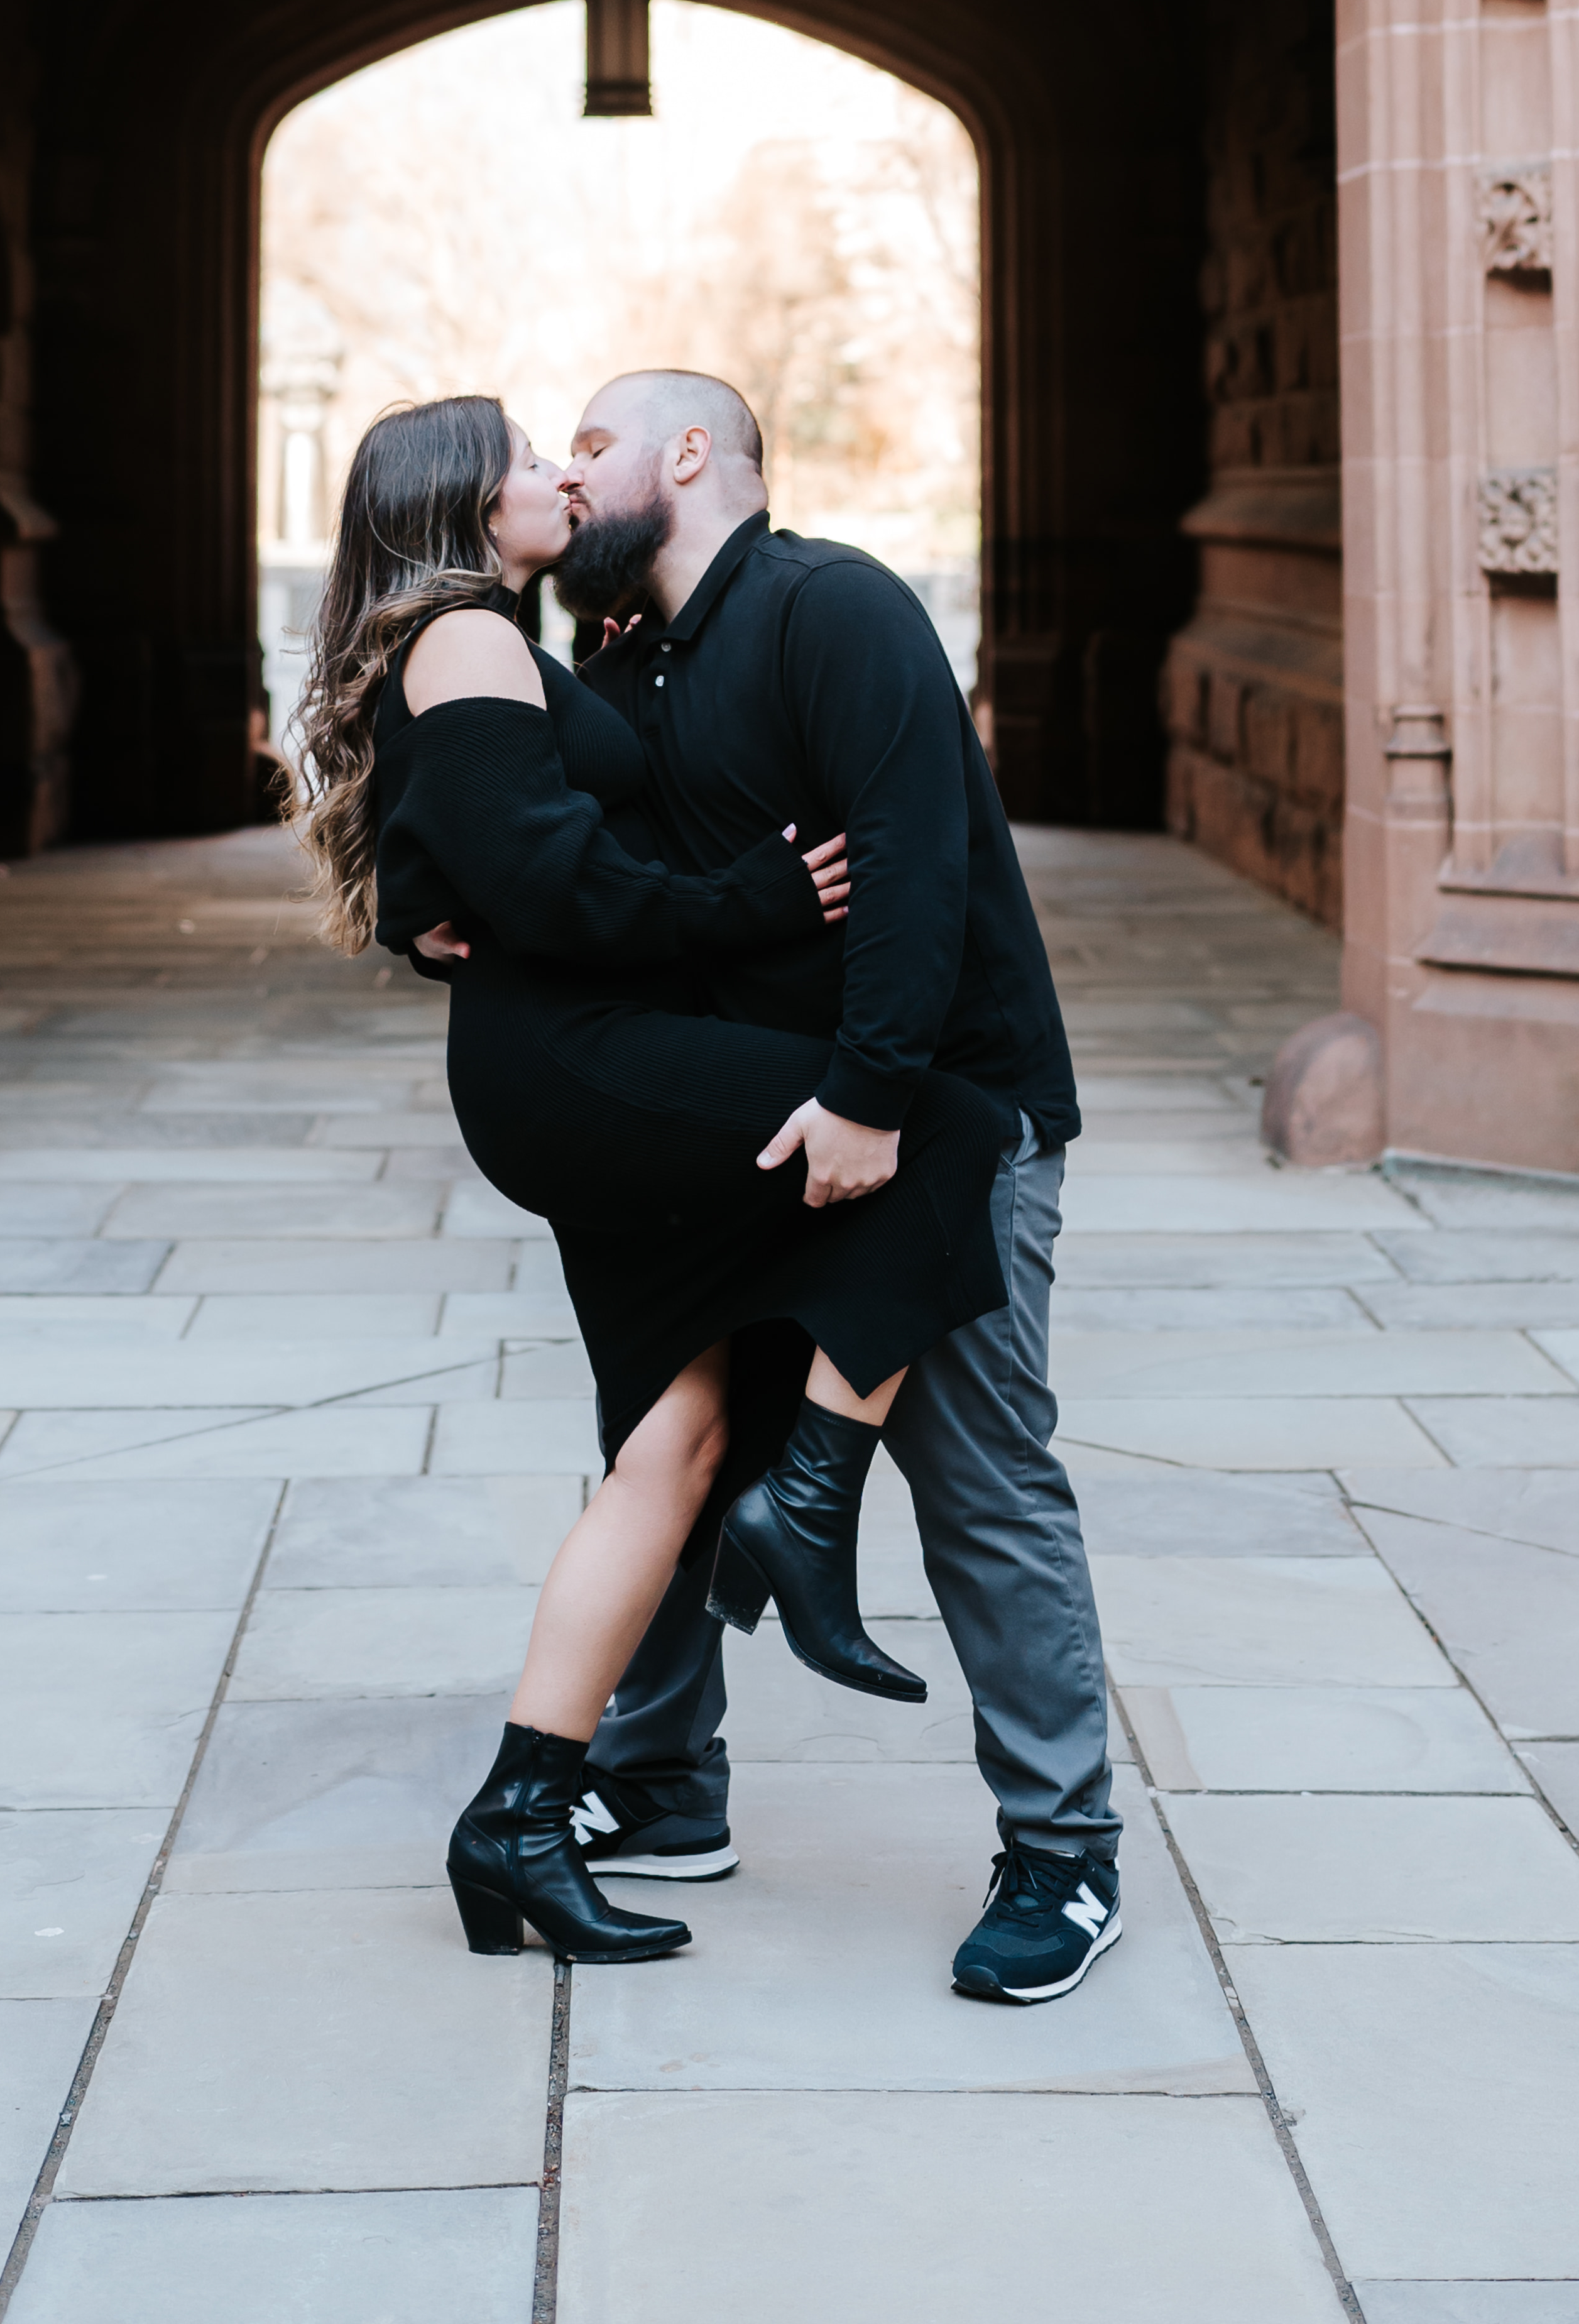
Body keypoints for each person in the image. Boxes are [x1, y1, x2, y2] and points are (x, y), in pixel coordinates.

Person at [292, 391, 1014, 1972]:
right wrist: (759, 894)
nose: (556, 471)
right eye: (530, 459)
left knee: (672, 1443)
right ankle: (812, 1500)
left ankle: (519, 1821)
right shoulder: (471, 636)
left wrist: (424, 898)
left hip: (578, 1054)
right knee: (939, 1126)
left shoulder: (509, 636)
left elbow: (461, 846)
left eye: (575, 447)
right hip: (577, 1063)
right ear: (470, 501)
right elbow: (546, 877)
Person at [552, 368, 1124, 2009]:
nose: (569, 476)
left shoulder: (833, 606)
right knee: (665, 1452)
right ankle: (664, 1783)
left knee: (980, 1480)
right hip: (748, 1133)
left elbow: (917, 854)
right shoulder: (627, 660)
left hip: (943, 1123)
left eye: (590, 446)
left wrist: (871, 1095)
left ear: (686, 454)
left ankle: (1062, 1856)